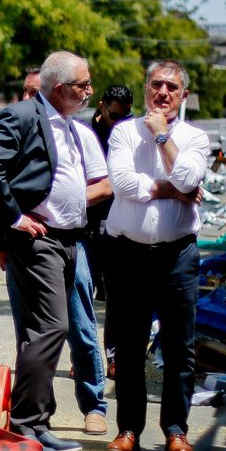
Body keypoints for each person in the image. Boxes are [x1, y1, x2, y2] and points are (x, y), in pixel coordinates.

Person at [0, 52, 110, 451]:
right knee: (53, 328)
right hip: (37, 240)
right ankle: (25, 423)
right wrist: (13, 217)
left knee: (39, 332)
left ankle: (36, 423)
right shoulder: (23, 115)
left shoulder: (68, 124)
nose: (89, 91)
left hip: (69, 239)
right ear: (62, 88)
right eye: (84, 85)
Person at [102, 60, 209, 451]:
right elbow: (122, 184)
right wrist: (171, 190)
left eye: (172, 87)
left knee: (180, 346)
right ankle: (128, 428)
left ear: (183, 94)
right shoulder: (123, 132)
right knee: (129, 346)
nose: (162, 93)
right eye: (156, 85)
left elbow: (187, 180)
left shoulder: (194, 138)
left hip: (177, 254)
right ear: (146, 88)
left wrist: (163, 136)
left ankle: (176, 430)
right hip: (128, 253)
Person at [86, 84, 134, 376]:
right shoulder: (84, 134)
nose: (121, 123)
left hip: (121, 223)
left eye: (126, 117)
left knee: (118, 295)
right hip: (88, 223)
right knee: (83, 291)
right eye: (115, 116)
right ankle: (86, 357)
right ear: (102, 107)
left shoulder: (131, 131)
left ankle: (114, 355)